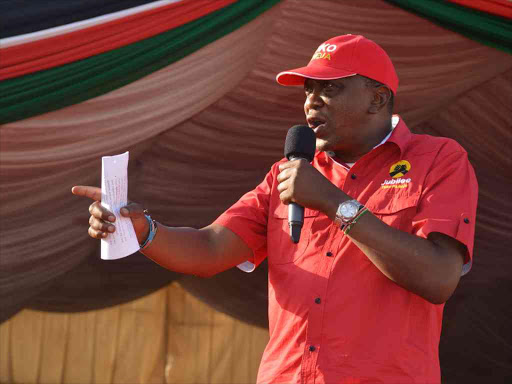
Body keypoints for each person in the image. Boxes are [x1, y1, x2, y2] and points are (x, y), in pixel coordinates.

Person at [73, 35, 478, 384]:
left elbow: (438, 278)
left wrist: (335, 204)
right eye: (307, 90)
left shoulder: (438, 160)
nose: (311, 101)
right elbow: (211, 248)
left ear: (377, 98)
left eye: (329, 88)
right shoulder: (287, 175)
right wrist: (145, 231)